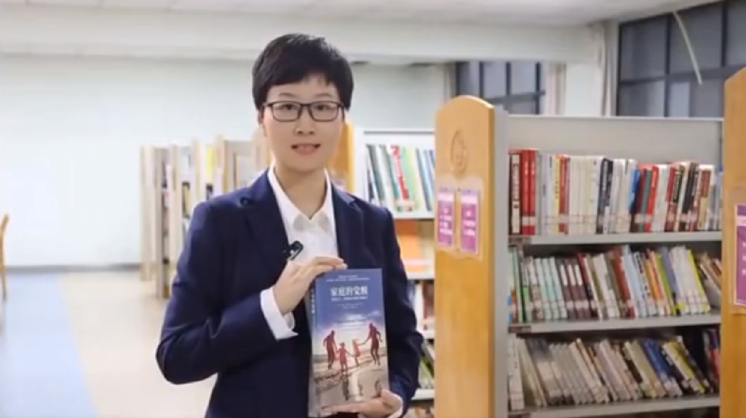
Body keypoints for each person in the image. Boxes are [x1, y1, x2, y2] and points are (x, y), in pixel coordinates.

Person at [155, 33, 423, 418]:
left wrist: (394, 398)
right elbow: (176, 356)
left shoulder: (372, 223)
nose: (305, 125)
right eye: (287, 107)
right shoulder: (221, 222)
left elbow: (404, 339)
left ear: (343, 118)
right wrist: (272, 305)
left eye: (323, 107)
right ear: (261, 118)